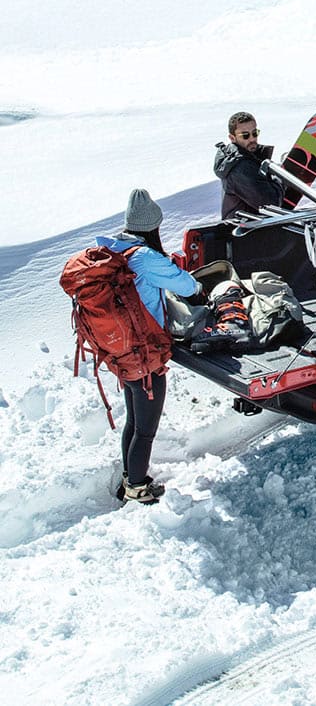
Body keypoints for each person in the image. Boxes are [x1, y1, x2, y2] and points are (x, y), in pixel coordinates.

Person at [97, 189, 198, 504]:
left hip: (121, 352)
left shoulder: (114, 250)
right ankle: (138, 488)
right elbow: (187, 285)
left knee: (134, 421)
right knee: (146, 430)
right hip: (144, 355)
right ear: (152, 226)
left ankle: (130, 478)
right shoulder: (145, 258)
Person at [213, 111, 281, 217]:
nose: (252, 138)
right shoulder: (241, 167)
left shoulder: (242, 157)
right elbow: (272, 205)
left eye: (255, 133)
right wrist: (279, 177)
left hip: (251, 226)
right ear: (232, 138)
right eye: (245, 135)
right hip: (249, 230)